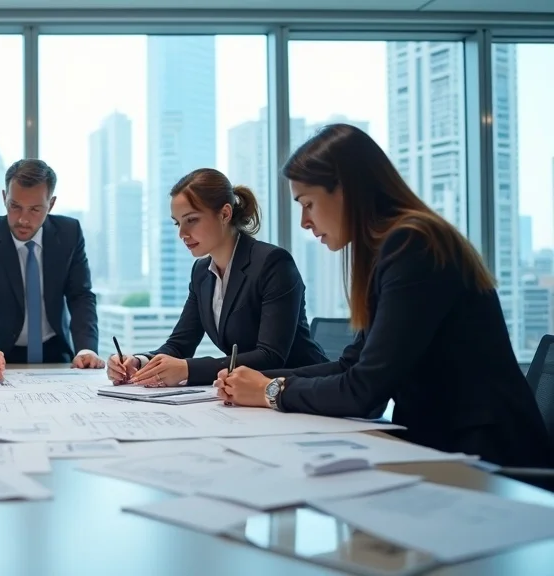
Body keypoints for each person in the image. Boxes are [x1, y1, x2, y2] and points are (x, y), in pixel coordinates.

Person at [216, 123, 553, 467]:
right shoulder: (391, 247)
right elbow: (353, 365)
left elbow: (364, 392)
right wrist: (256, 382)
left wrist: (270, 392)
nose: (304, 221)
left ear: (345, 190)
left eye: (308, 203)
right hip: (441, 444)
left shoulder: (413, 245)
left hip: (488, 458)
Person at [107, 168, 327, 387]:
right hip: (248, 396)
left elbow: (270, 356)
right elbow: (179, 344)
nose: (182, 233)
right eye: (177, 223)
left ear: (224, 214)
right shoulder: (202, 272)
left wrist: (188, 369)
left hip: (304, 389)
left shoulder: (273, 263)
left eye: (191, 220)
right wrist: (138, 361)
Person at [0, 159, 104, 379]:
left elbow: (80, 296)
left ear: (51, 204)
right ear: (4, 198)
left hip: (56, 353)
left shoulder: (69, 234)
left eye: (35, 209)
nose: (23, 219)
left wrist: (85, 349)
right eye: (15, 206)